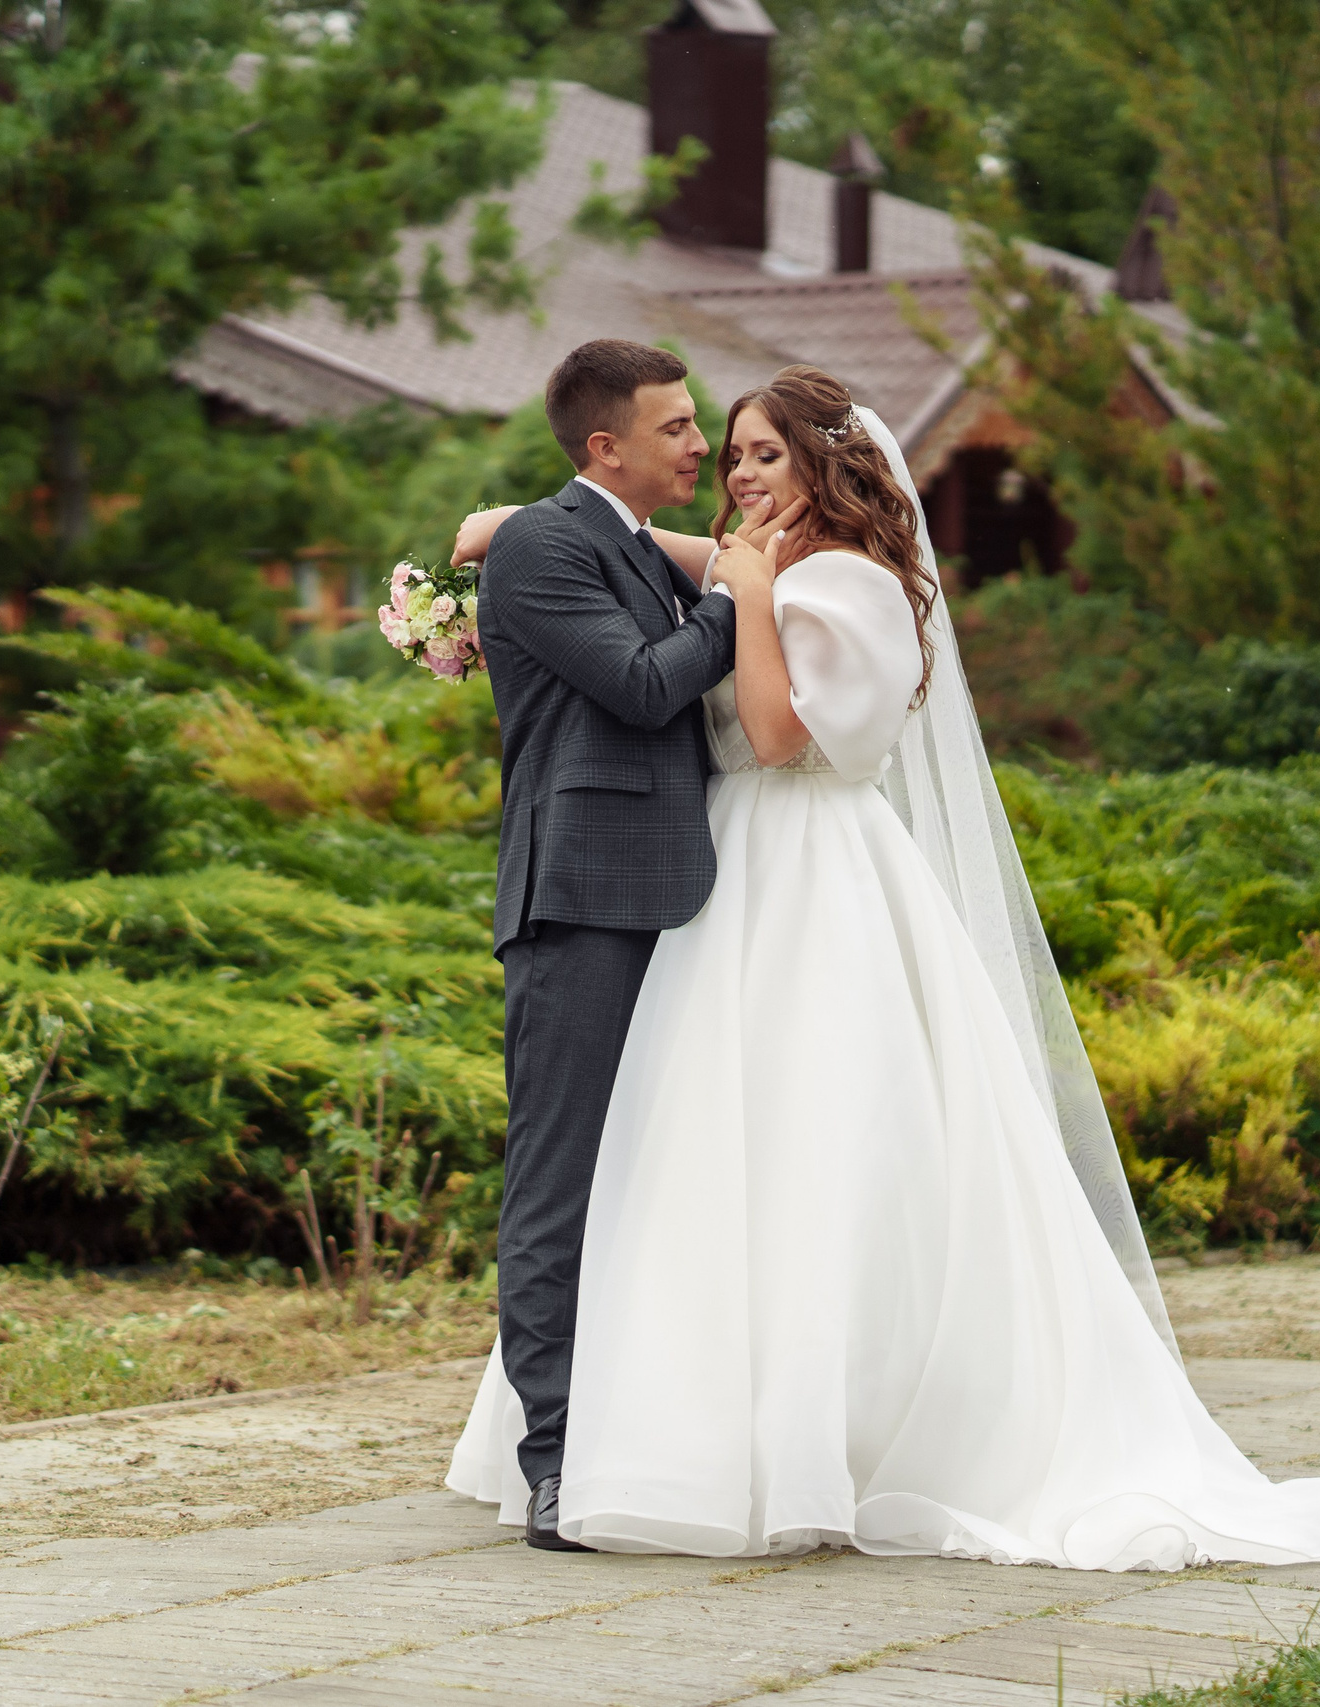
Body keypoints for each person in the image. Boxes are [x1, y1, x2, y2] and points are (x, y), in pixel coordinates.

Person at [444, 363, 1320, 1568]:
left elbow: (770, 729)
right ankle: (652, 1432)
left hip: (808, 876)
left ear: (822, 466)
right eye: (715, 443)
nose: (731, 466)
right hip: (718, 885)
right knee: (695, 1160)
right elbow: (677, 560)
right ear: (609, 447)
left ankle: (838, 1436)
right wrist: (514, 529)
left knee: (827, 1164)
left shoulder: (841, 584)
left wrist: (739, 588)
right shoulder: (764, 566)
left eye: (756, 452)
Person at [468, 339, 748, 1551]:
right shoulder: (545, 544)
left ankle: (652, 1430)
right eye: (679, 427)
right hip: (579, 897)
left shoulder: (630, 544)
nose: (703, 446)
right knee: (561, 1183)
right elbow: (641, 688)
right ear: (605, 447)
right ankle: (553, 1461)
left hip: (667, 892)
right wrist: (738, 604)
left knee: (657, 1179)